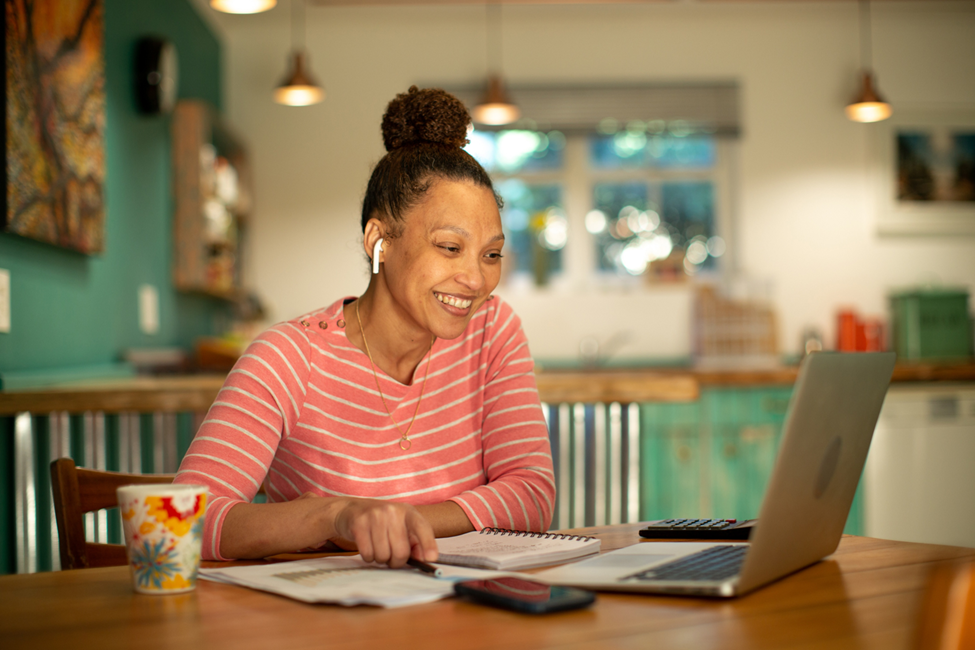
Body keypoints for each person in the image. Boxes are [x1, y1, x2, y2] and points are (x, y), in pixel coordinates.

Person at [174, 86, 556, 569]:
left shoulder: (492, 330)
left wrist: (401, 521)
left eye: (492, 254)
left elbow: (531, 493)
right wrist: (335, 516)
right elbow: (187, 521)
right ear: (379, 241)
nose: (477, 279)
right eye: (449, 247)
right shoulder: (289, 357)